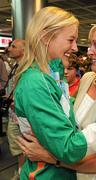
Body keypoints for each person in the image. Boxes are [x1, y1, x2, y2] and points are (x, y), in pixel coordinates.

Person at [14, 14, 96, 180]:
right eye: (89, 44)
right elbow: (64, 115)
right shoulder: (87, 79)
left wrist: (51, 158)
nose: (88, 51)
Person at [6, 39, 25, 179]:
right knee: (18, 147)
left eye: (13, 46)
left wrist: (17, 102)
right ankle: (21, 171)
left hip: (21, 115)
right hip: (14, 114)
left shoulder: (26, 68)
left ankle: (22, 173)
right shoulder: (15, 66)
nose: (9, 49)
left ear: (24, 50)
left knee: (22, 147)